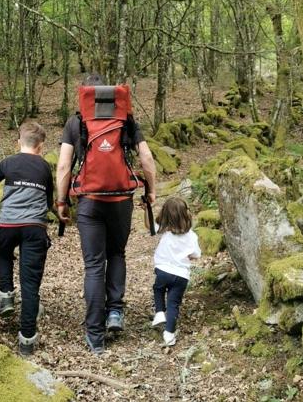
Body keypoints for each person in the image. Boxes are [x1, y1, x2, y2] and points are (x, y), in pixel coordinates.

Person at [56, 74, 156, 355]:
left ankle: (95, 336)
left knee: (93, 265)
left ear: (84, 94)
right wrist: (151, 191)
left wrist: (61, 201)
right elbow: (146, 158)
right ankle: (114, 312)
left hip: (89, 201)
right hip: (121, 199)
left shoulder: (76, 122)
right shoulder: (126, 119)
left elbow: (64, 166)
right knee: (117, 254)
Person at [0, 120, 53, 357]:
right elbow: (49, 200)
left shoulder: (7, 162)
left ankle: (6, 297)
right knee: (30, 286)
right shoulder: (44, 168)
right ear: (41, 146)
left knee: (4, 253)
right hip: (34, 227)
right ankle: (27, 342)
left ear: (18, 142)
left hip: (8, 224)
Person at [143, 197, 201, 346]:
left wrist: (146, 210)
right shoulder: (192, 236)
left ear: (165, 216)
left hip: (163, 271)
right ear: (186, 215)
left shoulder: (164, 231)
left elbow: (149, 225)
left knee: (158, 289)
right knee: (173, 304)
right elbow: (196, 255)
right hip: (181, 276)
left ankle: (160, 313)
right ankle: (169, 335)